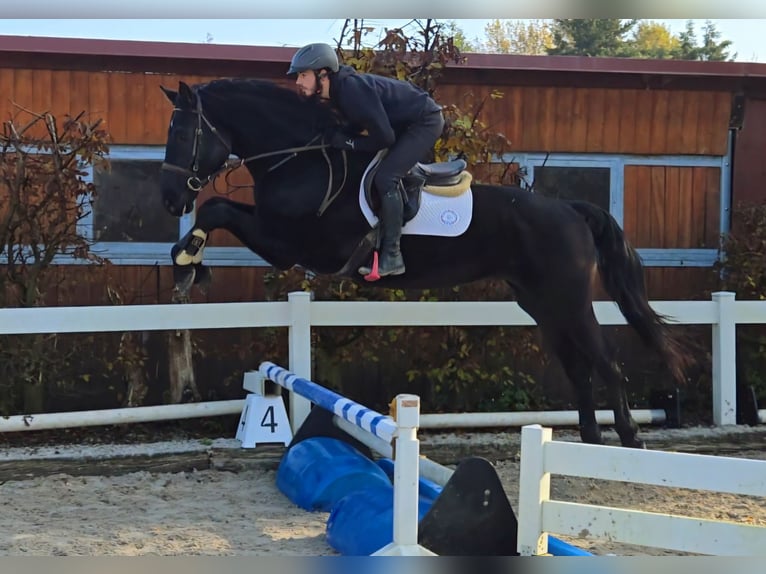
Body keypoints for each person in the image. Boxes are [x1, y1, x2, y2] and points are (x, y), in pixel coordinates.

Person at [287, 42, 445, 279]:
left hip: (425, 121)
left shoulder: (351, 91)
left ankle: (392, 256)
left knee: (386, 178)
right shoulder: (340, 92)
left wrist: (348, 142)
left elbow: (384, 138)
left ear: (323, 74)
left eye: (303, 75)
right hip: (405, 123)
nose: (298, 82)